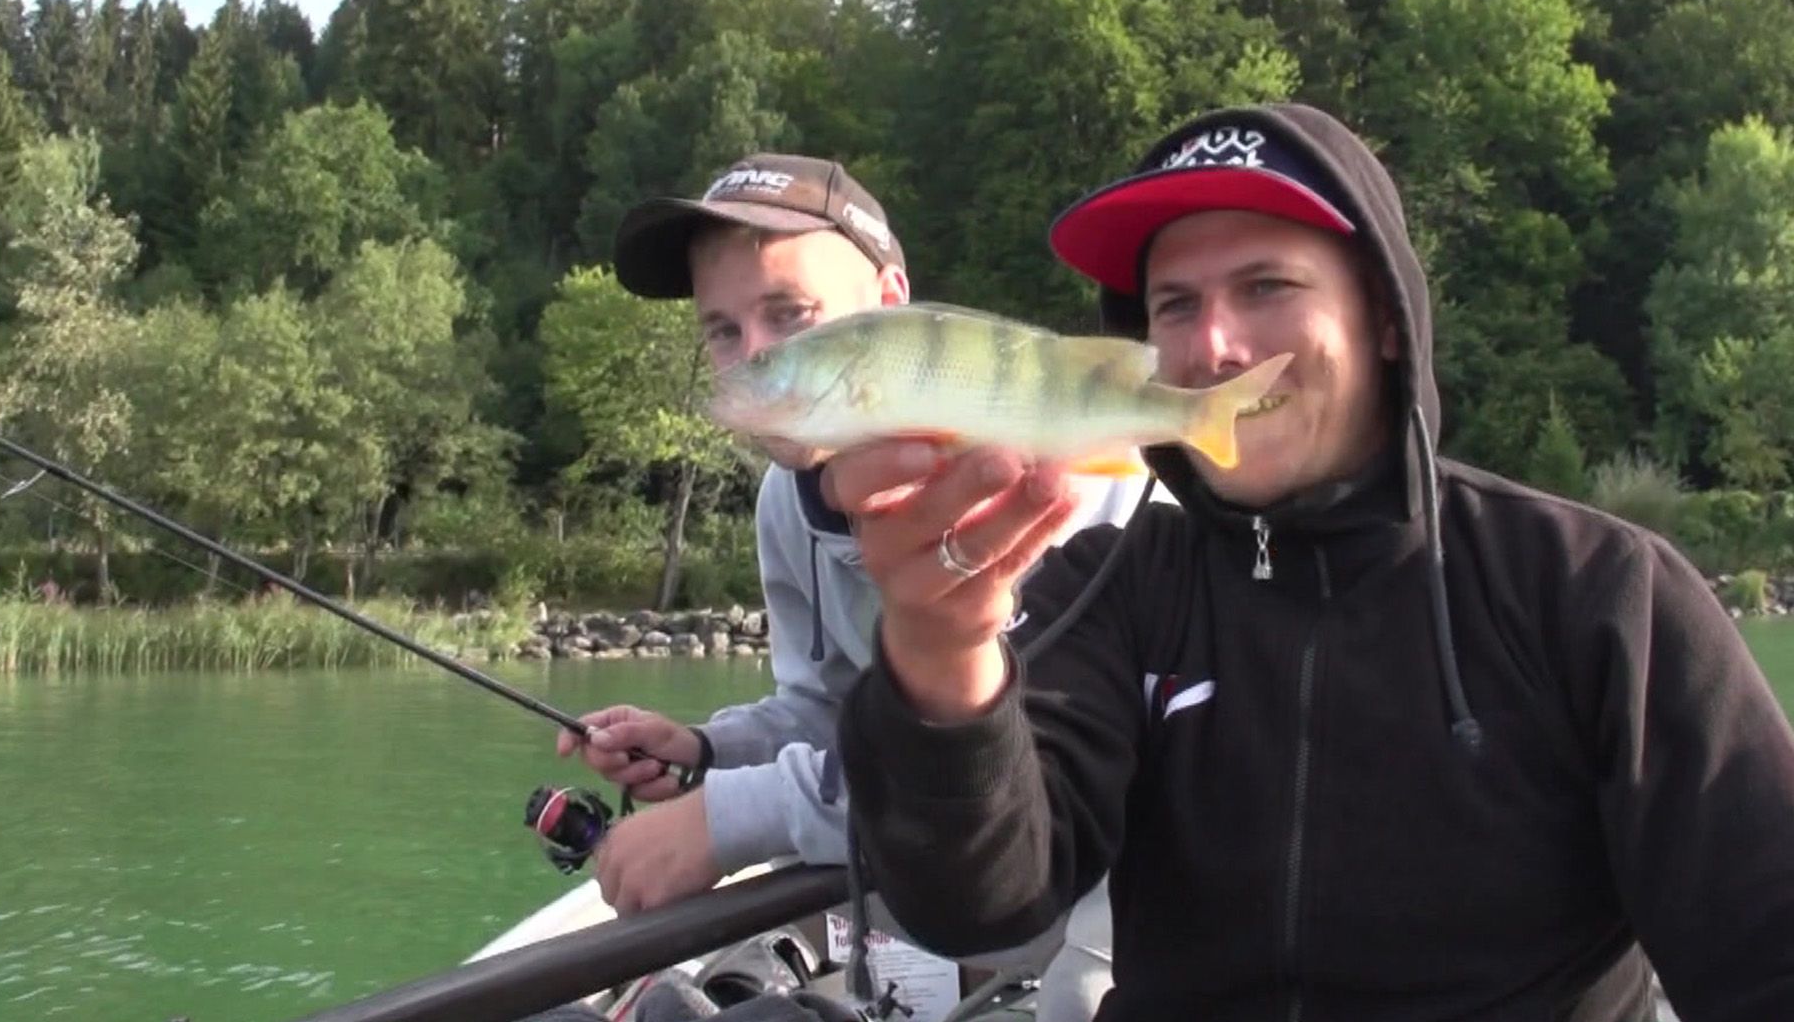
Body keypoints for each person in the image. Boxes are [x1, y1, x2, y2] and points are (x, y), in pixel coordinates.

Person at [819, 102, 1794, 1021]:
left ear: (1384, 319)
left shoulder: (1597, 597)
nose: (1213, 346)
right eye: (1173, 304)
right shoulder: (1112, 587)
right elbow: (980, 902)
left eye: (1266, 287)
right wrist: (941, 654)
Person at [555, 152, 1164, 1015]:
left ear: (888, 307)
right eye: (723, 331)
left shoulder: (1034, 478)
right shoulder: (783, 500)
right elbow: (829, 708)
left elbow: (998, 760)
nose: (751, 354)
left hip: (1128, 860)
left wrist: (730, 819)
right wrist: (706, 753)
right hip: (962, 866)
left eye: (789, 315)